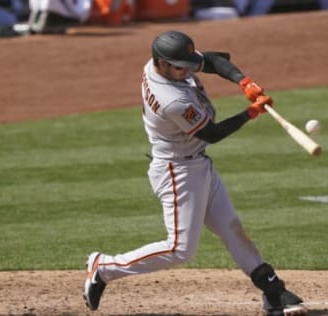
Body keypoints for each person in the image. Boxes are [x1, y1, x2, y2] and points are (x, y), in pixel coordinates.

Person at [83, 30, 308, 316]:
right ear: (162, 64)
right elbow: (211, 133)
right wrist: (250, 113)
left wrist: (244, 81)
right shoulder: (170, 99)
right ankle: (103, 268)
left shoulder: (165, 64)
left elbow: (214, 61)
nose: (187, 69)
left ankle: (273, 292)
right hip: (177, 171)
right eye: (181, 66)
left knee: (230, 226)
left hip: (197, 163)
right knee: (179, 248)